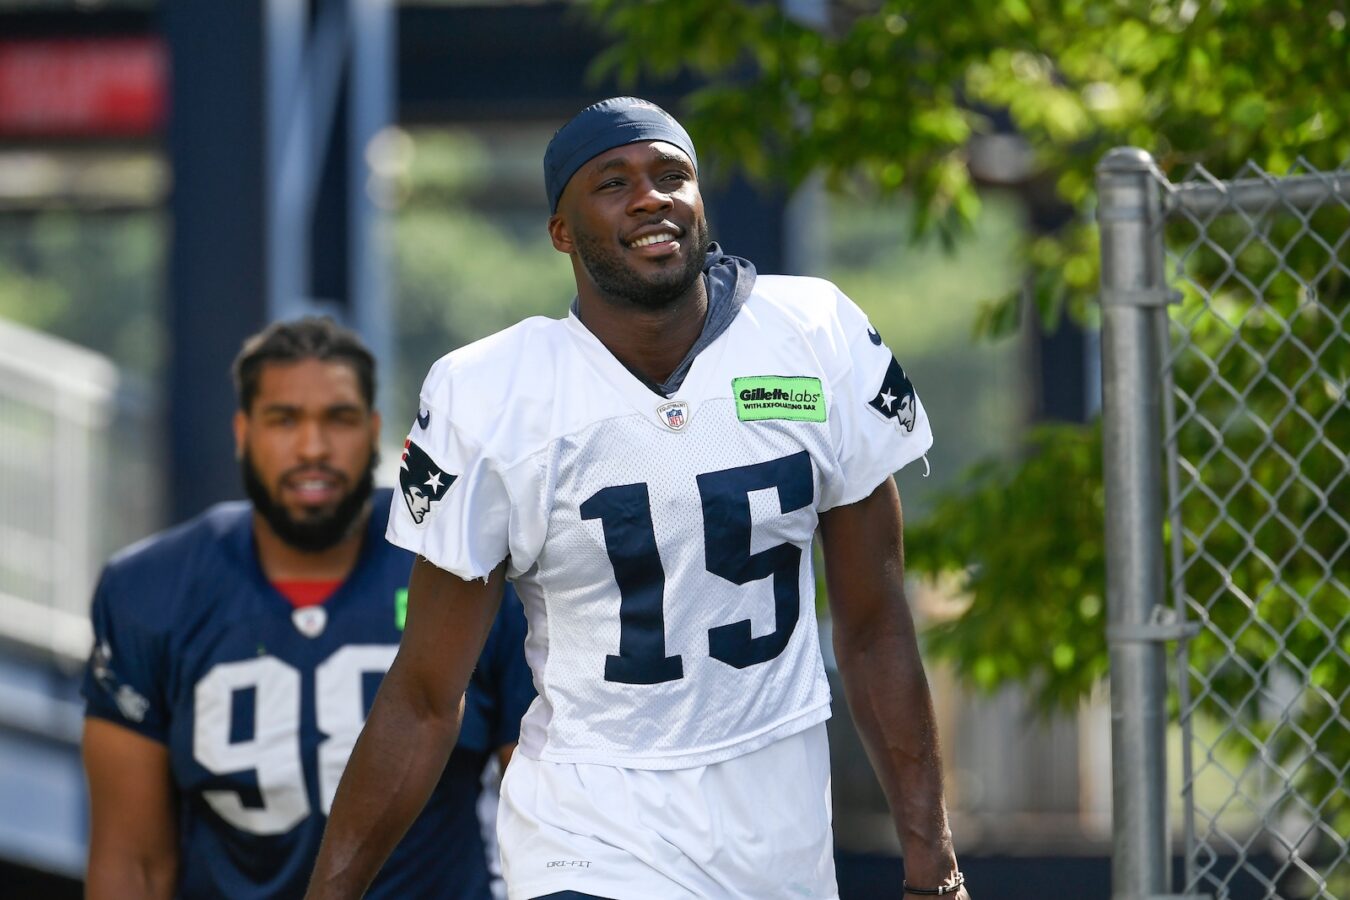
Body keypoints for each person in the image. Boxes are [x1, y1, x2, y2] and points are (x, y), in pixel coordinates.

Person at [308, 97, 971, 900]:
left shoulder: (815, 334)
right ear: (562, 231)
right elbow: (424, 696)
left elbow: (873, 625)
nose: (651, 196)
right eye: (613, 182)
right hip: (589, 834)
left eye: (672, 176)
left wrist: (932, 861)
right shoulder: (489, 393)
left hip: (777, 841)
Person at [81, 317, 534, 899]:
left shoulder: (459, 560)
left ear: (374, 431)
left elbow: (544, 815)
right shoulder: (149, 589)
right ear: (242, 431)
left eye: (339, 419)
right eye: (284, 419)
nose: (313, 447)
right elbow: (133, 863)